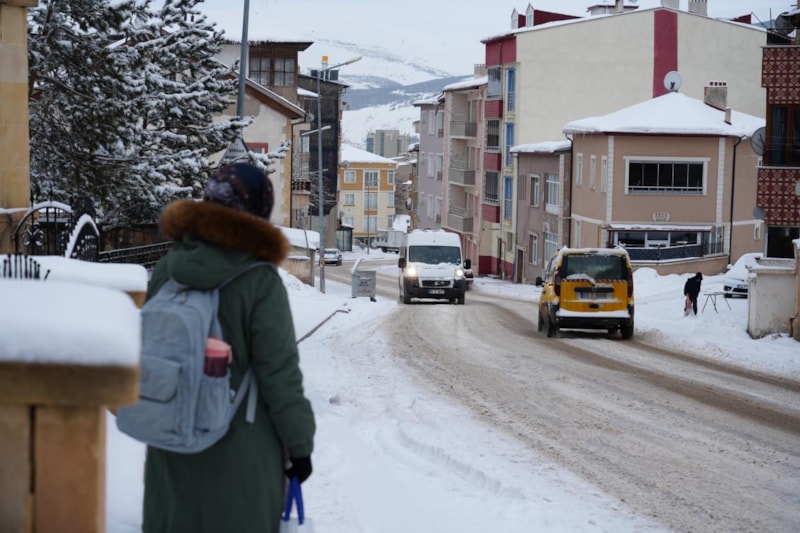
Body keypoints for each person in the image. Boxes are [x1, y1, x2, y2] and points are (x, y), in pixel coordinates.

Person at [142, 163, 316, 533]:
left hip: (169, 442)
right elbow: (279, 375)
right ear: (258, 212)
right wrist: (299, 445)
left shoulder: (168, 269)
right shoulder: (259, 281)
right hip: (240, 454)